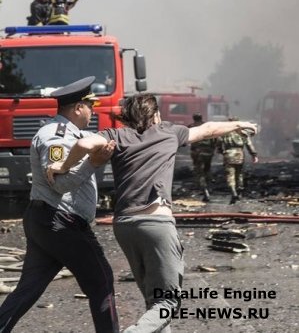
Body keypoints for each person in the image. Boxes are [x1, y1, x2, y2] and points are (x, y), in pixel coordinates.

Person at [47, 94, 258, 333]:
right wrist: (240, 124)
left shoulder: (115, 135)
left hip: (124, 226)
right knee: (168, 302)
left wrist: (63, 166)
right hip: (156, 223)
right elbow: (208, 129)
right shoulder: (168, 132)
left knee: (154, 299)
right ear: (155, 114)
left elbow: (84, 144)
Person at [0, 76, 119, 333]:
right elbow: (59, 184)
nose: (93, 111)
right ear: (78, 108)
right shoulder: (57, 137)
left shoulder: (71, 133)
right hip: (61, 222)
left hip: (46, 221)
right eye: (90, 106)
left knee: (28, 289)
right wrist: (94, 164)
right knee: (102, 281)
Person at [217, 116, 259, 204]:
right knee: (239, 174)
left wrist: (221, 152)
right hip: (240, 155)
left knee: (230, 176)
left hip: (228, 155)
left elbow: (219, 144)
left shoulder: (224, 133)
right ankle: (239, 192)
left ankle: (233, 193)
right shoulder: (242, 133)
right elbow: (249, 145)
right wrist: (254, 155)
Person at [188, 113, 217, 202]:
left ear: (193, 118)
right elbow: (214, 138)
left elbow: (187, 138)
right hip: (208, 152)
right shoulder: (207, 126)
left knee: (199, 172)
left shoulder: (191, 126)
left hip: (197, 152)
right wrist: (213, 148)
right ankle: (209, 186)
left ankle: (205, 191)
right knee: (207, 170)